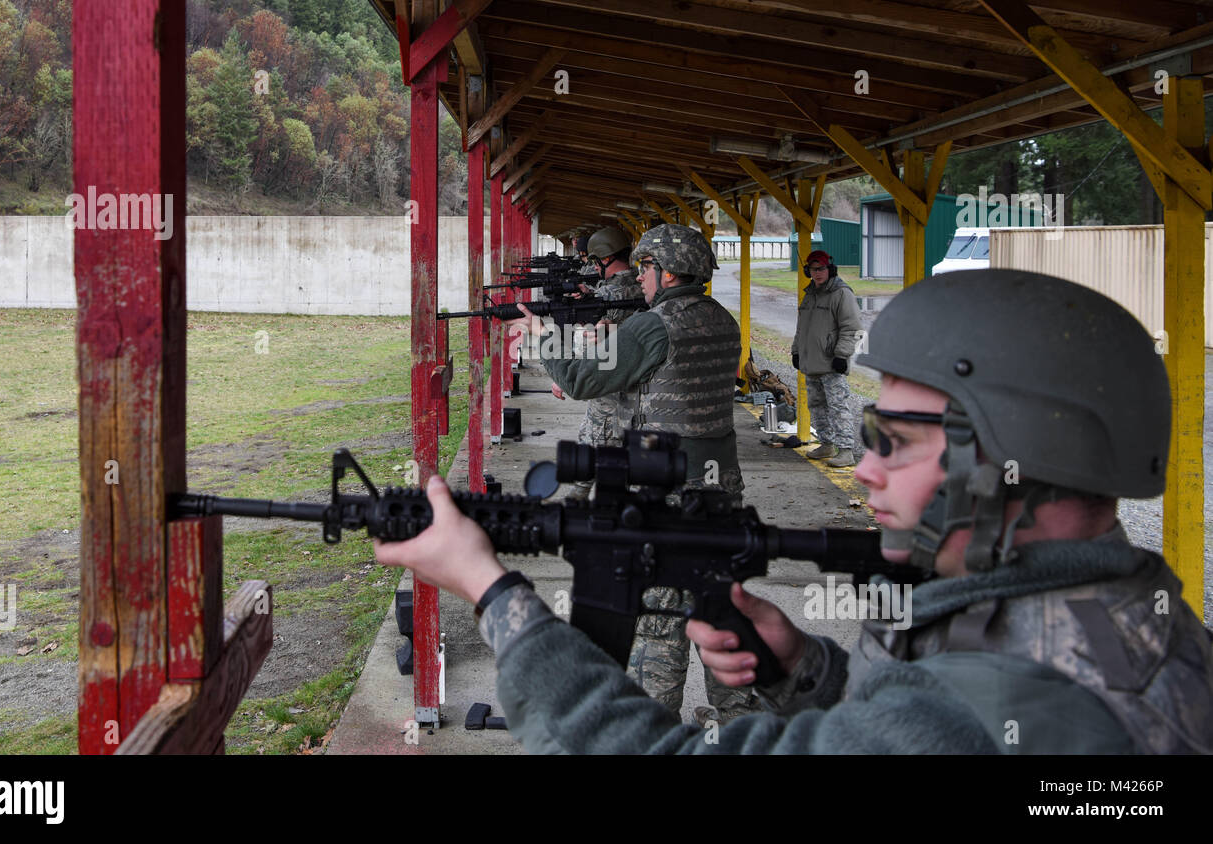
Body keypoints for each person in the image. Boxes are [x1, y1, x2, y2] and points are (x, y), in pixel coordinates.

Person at [375, 269, 1213, 754]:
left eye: (896, 440)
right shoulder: (1129, 626)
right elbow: (908, 718)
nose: (867, 466)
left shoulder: (1014, 701)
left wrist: (492, 593)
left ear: (1015, 457)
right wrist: (805, 668)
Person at [521, 223, 751, 721]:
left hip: (665, 492)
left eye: (647, 268)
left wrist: (545, 338)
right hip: (720, 489)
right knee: (720, 605)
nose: (641, 278)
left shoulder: (654, 325)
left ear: (668, 274)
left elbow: (583, 379)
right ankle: (738, 724)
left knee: (661, 619)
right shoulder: (722, 320)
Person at [548, 226, 645, 501]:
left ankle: (577, 505)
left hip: (611, 387)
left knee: (592, 445)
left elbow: (594, 341)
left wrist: (564, 375)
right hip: (638, 388)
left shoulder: (612, 294)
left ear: (604, 259)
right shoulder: (640, 285)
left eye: (594, 260)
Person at [792, 250, 862, 468]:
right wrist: (796, 351)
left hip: (831, 363)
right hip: (811, 362)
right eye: (814, 269)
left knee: (838, 405)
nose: (818, 273)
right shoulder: (810, 294)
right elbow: (802, 327)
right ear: (808, 271)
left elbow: (852, 328)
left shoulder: (842, 294)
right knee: (817, 405)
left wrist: (841, 355)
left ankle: (846, 450)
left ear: (830, 269)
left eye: (821, 268)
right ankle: (827, 444)